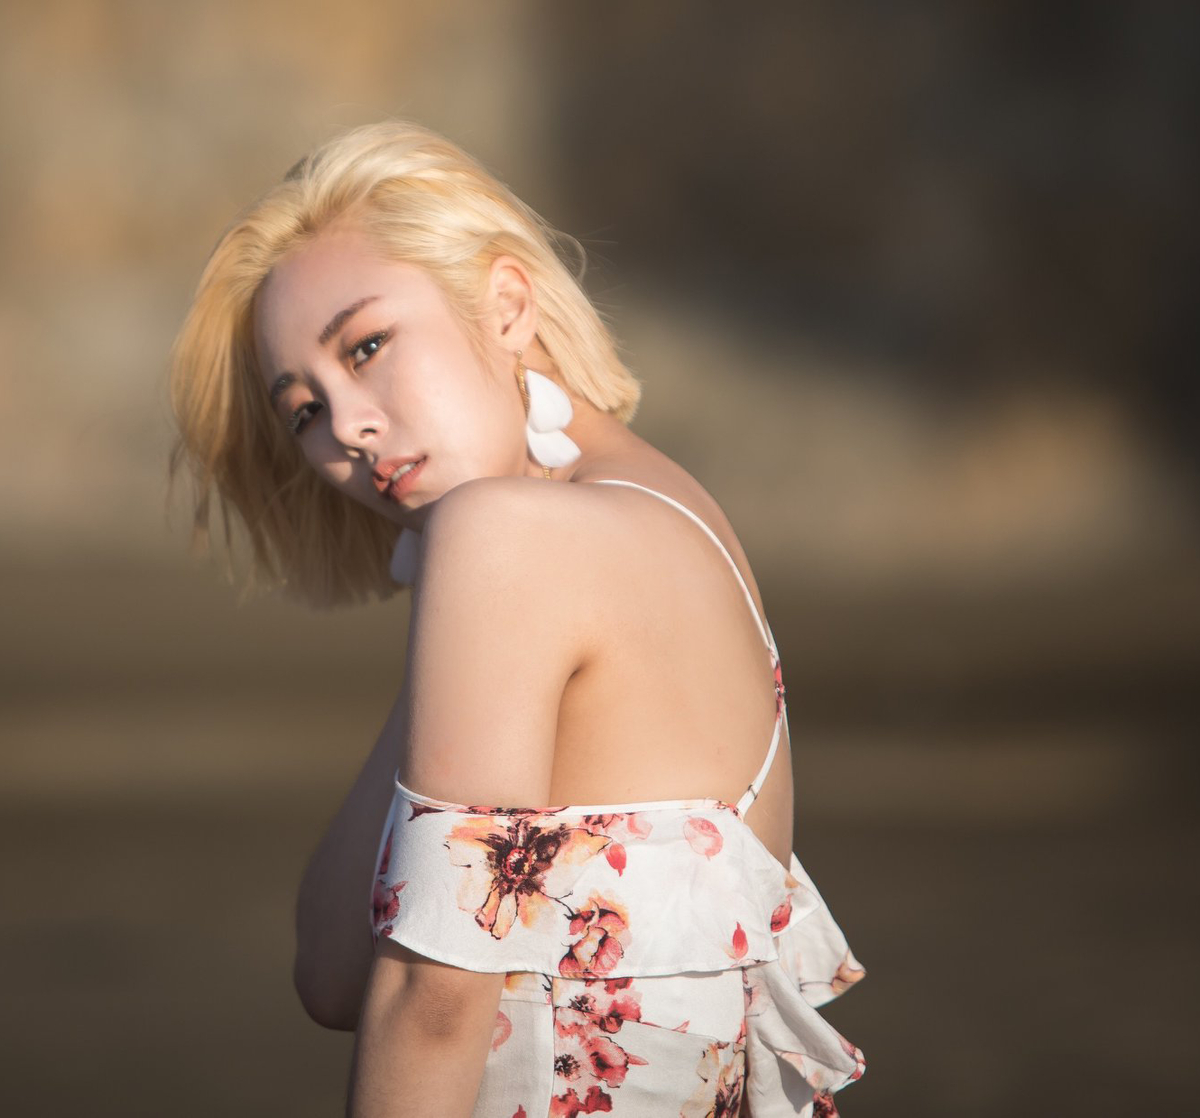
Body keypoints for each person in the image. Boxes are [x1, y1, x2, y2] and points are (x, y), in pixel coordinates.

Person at [167, 120, 867, 1117]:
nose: (348, 427)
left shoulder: (512, 540)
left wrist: (466, 553)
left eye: (367, 346)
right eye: (304, 410)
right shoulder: (670, 512)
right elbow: (330, 967)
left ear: (504, 304)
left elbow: (431, 998)